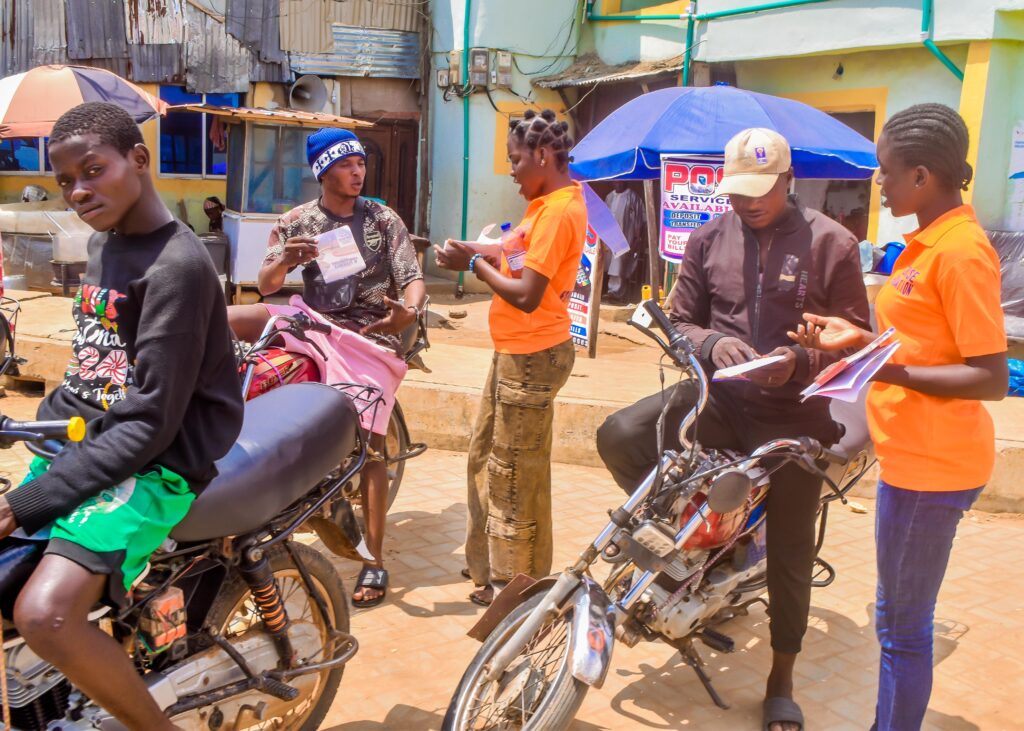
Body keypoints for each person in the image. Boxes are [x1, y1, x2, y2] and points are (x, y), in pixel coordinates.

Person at [596, 128, 870, 731]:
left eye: (761, 191)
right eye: (738, 191)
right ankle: (694, 547)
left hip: (798, 413)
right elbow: (680, 320)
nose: (748, 203)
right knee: (621, 433)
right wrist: (713, 342)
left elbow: (855, 341)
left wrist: (800, 362)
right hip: (721, 400)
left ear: (788, 181)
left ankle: (780, 677)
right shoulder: (707, 237)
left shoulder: (833, 244)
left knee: (792, 551)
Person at [0, 102, 244, 731]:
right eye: (65, 182)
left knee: (45, 615)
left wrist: (28, 503)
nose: (79, 192)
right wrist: (39, 425)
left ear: (139, 160)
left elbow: (148, 423)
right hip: (94, 446)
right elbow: (95, 370)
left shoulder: (179, 268)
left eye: (92, 171)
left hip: (157, 466)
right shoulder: (106, 244)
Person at [789, 104, 1008, 731]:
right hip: (911, 453)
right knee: (897, 620)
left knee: (901, 628)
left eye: (885, 172)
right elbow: (920, 343)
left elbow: (989, 377)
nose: (877, 184)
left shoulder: (962, 252)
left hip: (933, 468)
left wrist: (877, 371)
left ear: (921, 176)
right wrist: (857, 340)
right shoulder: (923, 243)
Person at [228, 127, 425, 609]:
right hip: (313, 323)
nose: (357, 172)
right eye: (345, 165)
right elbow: (266, 281)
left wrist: (409, 312)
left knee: (372, 449)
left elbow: (412, 277)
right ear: (323, 171)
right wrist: (282, 263)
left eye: (360, 163)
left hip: (369, 335)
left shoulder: (382, 217)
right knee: (227, 321)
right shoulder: (298, 221)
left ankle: (375, 562)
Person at [435, 109, 585, 607]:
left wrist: (472, 264)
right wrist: (475, 250)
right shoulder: (543, 205)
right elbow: (513, 252)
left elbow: (524, 292)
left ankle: (514, 587)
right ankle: (492, 567)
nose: (512, 171)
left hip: (534, 353)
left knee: (514, 474)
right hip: (516, 351)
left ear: (542, 156)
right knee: (486, 457)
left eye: (515, 160)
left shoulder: (560, 210)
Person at [603, 181, 645, 303]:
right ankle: (610, 291)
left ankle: (616, 293)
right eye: (615, 182)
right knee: (610, 264)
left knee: (620, 265)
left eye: (620, 181)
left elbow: (639, 219)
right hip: (610, 236)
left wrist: (637, 238)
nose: (618, 184)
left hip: (625, 236)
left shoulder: (633, 197)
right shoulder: (609, 197)